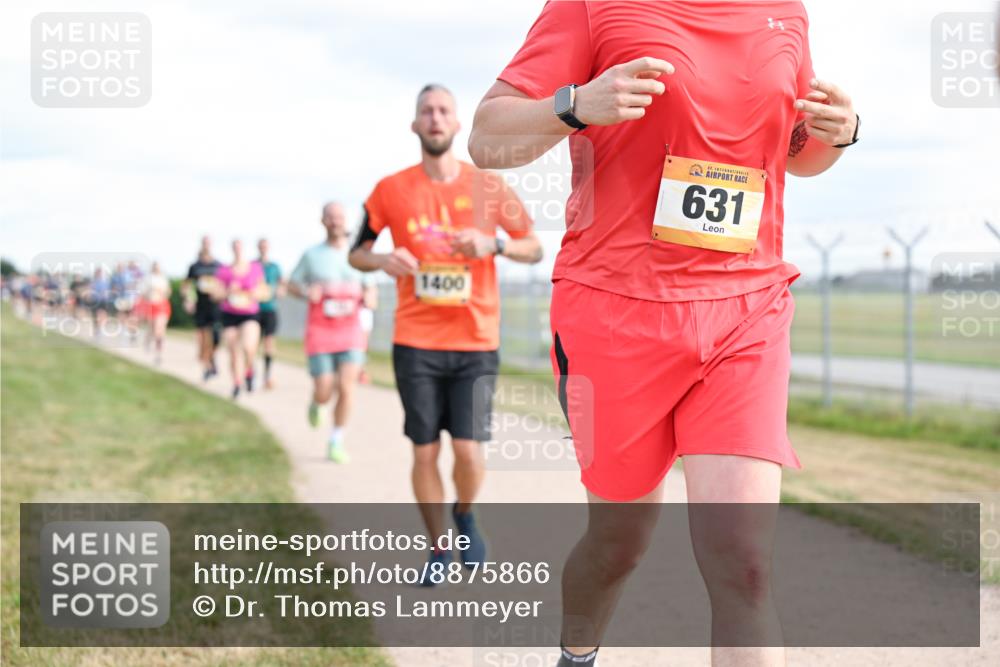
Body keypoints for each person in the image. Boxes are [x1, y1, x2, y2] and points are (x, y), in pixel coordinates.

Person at [470, 2, 861, 665]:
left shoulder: (783, 13)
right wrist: (577, 105)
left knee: (744, 562)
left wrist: (840, 132)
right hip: (616, 312)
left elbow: (797, 153)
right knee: (619, 542)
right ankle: (577, 653)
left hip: (746, 306)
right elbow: (487, 138)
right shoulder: (593, 7)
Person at [349, 83, 542, 584]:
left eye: (444, 111)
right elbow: (357, 252)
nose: (435, 119)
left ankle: (463, 514)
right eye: (426, 112)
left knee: (469, 452)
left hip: (476, 339)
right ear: (415, 125)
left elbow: (534, 247)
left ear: (457, 125)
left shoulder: (489, 187)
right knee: (425, 450)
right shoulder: (390, 190)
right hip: (415, 340)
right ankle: (438, 548)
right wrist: (382, 258)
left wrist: (493, 242)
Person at [289, 202, 378, 463]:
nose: (336, 221)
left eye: (340, 217)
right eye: (331, 217)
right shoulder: (312, 255)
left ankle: (336, 440)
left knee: (347, 387)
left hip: (351, 331)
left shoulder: (358, 254)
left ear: (345, 220)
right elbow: (292, 284)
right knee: (325, 387)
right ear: (323, 221)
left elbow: (369, 285)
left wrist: (370, 296)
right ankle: (318, 403)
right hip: (320, 330)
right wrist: (306, 292)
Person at [215, 239, 267, 400]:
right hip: (230, 314)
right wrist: (228, 292)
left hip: (249, 313)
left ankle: (250, 370)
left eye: (240, 246)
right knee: (233, 350)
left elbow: (265, 292)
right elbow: (215, 295)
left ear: (243, 249)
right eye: (235, 247)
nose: (237, 250)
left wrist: (251, 294)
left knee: (248, 347)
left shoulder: (255, 268)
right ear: (232, 249)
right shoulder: (224, 270)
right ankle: (237, 383)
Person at [183, 237, 222, 381]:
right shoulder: (195, 267)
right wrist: (188, 299)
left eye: (209, 243)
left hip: (215, 306)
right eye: (204, 243)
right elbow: (186, 286)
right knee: (203, 337)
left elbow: (224, 284)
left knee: (216, 338)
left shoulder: (219, 265)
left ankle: (210, 358)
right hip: (200, 307)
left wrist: (218, 293)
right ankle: (207, 367)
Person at [256, 238, 285, 390]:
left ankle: (267, 376)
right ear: (258, 248)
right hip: (254, 309)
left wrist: (281, 290)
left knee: (269, 343)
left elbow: (282, 283)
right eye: (261, 246)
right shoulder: (253, 266)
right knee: (253, 344)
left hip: (270, 309)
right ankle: (251, 373)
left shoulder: (275, 267)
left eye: (265, 246)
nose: (263, 249)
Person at [141, 261, 172, 364]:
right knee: (152, 329)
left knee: (160, 330)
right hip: (151, 306)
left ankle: (158, 354)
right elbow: (143, 294)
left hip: (162, 306)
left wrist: (162, 293)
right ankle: (147, 341)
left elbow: (168, 291)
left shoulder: (163, 279)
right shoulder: (147, 279)